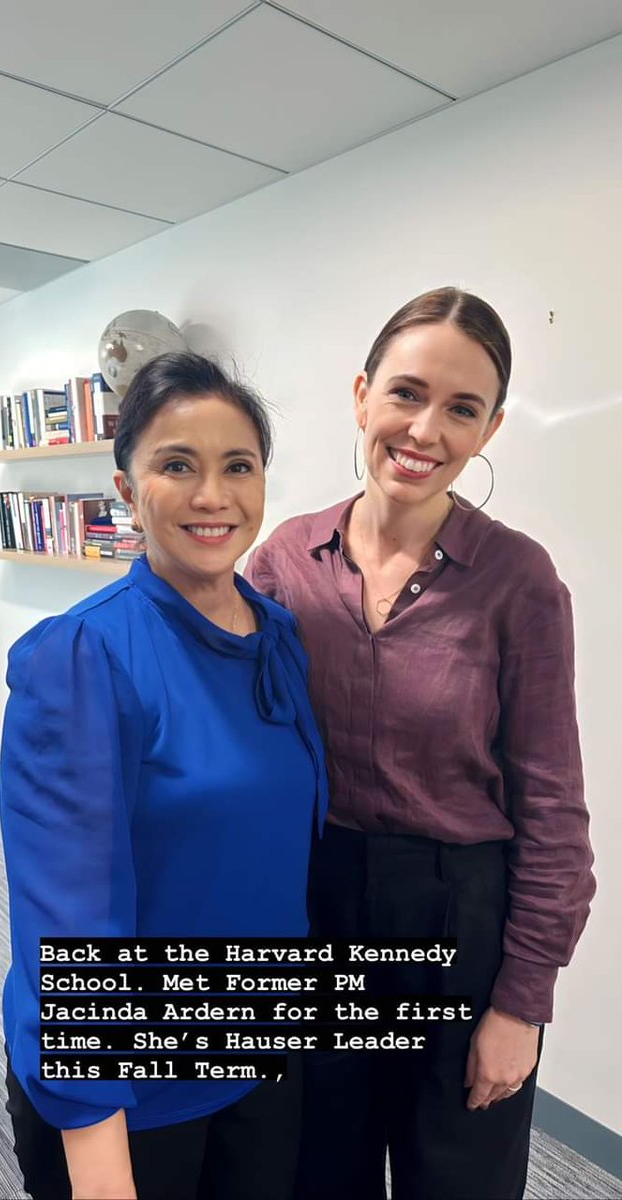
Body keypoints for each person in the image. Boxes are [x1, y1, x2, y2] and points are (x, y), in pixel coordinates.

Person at [245, 287, 596, 1200]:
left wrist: (521, 1003)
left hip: (458, 920)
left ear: (490, 430)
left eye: (461, 408)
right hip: (320, 904)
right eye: (405, 393)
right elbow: (243, 738)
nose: (425, 428)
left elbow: (553, 808)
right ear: (361, 395)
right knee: (323, 1168)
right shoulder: (284, 558)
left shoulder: (518, 581)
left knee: (459, 1179)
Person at [0, 352, 328, 1200]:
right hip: (130, 1093)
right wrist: (97, 1148)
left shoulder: (279, 637)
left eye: (237, 466)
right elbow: (68, 918)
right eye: (176, 465)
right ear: (125, 487)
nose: (212, 495)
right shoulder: (84, 655)